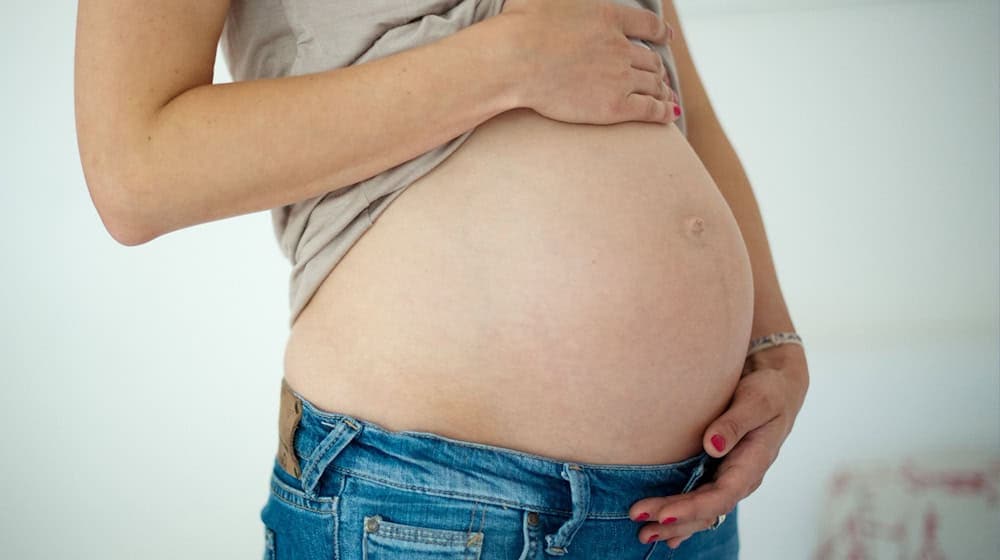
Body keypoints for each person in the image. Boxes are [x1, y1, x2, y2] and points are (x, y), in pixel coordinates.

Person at [74, 0, 810, 557]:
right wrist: (506, 63)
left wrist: (773, 342)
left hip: (681, 510)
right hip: (427, 503)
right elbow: (136, 170)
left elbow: (670, 87)